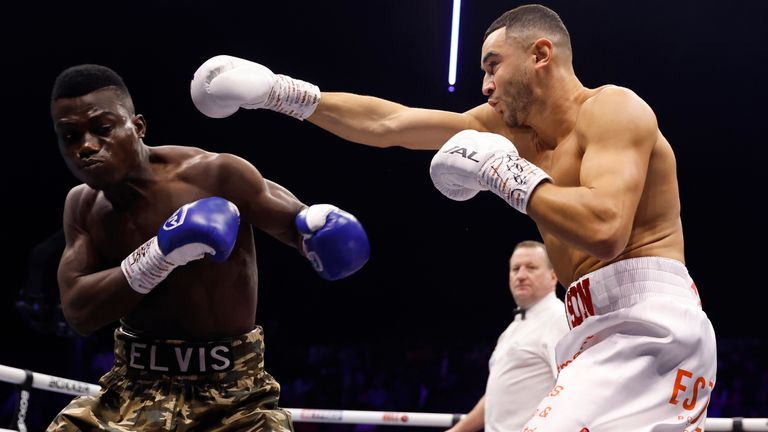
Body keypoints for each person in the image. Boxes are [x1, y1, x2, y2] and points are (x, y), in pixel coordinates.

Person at [189, 3, 717, 430]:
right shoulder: (511, 133)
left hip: (647, 322)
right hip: (592, 324)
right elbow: (391, 122)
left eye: (492, 65)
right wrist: (283, 93)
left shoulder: (613, 109)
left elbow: (605, 230)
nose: (484, 85)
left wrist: (505, 176)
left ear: (540, 54)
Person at [46, 63, 370, 431]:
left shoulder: (214, 175)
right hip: (132, 387)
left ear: (138, 127)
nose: (86, 146)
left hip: (234, 396)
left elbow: (299, 225)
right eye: (70, 136)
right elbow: (78, 312)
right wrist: (160, 253)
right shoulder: (82, 206)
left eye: (103, 129)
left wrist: (320, 230)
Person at [447, 240, 568, 432]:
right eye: (515, 269)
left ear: (553, 277)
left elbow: (569, 390)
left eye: (531, 268)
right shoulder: (513, 329)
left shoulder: (558, 319)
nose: (520, 275)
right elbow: (496, 396)